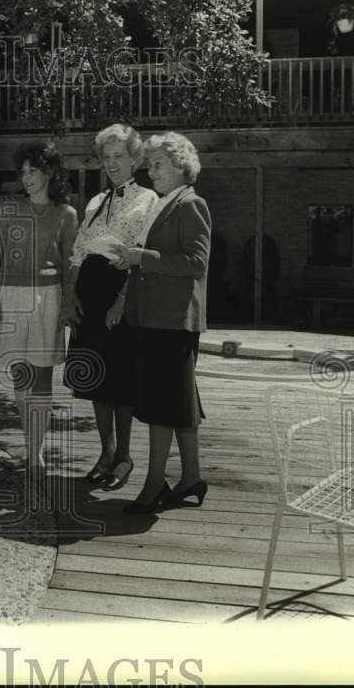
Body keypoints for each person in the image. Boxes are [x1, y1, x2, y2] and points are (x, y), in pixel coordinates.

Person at [115, 131, 211, 513]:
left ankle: (155, 484)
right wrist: (132, 260)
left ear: (179, 166)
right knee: (179, 403)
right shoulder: (164, 203)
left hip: (174, 322)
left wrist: (143, 257)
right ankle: (191, 478)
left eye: (156, 164)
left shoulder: (191, 204)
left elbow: (197, 263)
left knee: (161, 406)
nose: (149, 171)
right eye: (149, 164)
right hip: (156, 319)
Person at [63, 124, 158, 491]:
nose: (113, 163)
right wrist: (70, 296)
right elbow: (78, 252)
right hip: (89, 292)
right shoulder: (94, 202)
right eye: (107, 157)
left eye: (120, 156)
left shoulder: (147, 200)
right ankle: (106, 453)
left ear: (135, 160)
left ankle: (125, 457)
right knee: (95, 381)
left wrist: (123, 299)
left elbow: (140, 256)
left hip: (119, 293)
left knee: (120, 382)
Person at [0, 141, 78, 470]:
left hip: (49, 298)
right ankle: (29, 443)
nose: (26, 177)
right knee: (19, 374)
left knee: (42, 376)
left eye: (33, 171)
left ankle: (36, 452)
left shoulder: (66, 213)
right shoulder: (10, 208)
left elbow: (71, 264)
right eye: (23, 172)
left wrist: (69, 304)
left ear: (50, 172)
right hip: (12, 296)